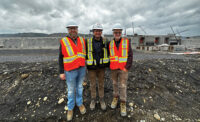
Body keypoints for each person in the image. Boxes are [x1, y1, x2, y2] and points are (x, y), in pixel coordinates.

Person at [59, 20, 86, 121]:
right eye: (71, 28)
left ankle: (79, 103)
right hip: (70, 70)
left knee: (79, 88)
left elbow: (86, 53)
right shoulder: (64, 41)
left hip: (81, 69)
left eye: (75, 28)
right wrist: (61, 72)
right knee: (71, 91)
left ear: (77, 29)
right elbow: (60, 57)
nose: (73, 30)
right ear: (68, 30)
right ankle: (70, 108)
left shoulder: (82, 40)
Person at [109, 23, 133, 116]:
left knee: (122, 86)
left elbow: (130, 55)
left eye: (119, 32)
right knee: (114, 84)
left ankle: (123, 102)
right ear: (113, 33)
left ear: (121, 33)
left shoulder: (126, 42)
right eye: (116, 32)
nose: (117, 33)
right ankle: (115, 98)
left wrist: (127, 68)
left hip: (123, 69)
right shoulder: (110, 43)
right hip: (113, 69)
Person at [86, 23, 109, 111]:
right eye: (96, 31)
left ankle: (101, 99)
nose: (98, 32)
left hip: (101, 68)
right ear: (93, 32)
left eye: (99, 31)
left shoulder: (105, 41)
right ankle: (93, 100)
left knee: (101, 84)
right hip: (91, 68)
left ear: (101, 32)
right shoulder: (87, 42)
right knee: (92, 84)